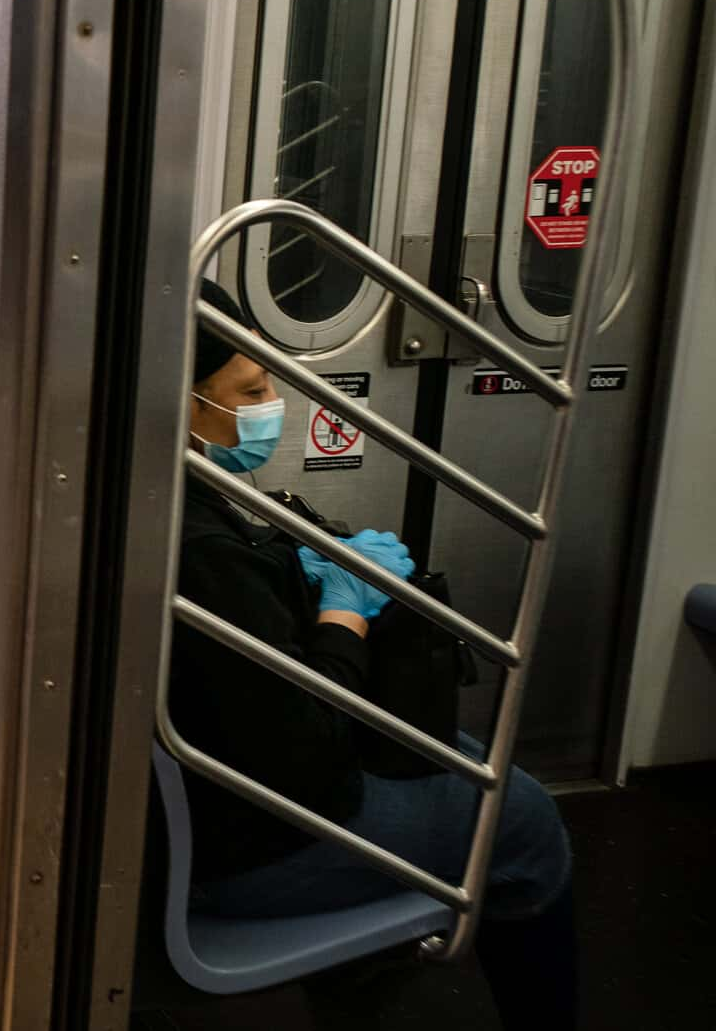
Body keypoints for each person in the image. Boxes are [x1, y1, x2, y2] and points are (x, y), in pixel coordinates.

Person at [173, 279, 577, 1030]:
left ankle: (362, 971)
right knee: (523, 818)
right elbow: (307, 759)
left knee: (456, 755)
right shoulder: (201, 552)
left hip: (221, 805)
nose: (270, 404)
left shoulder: (166, 495)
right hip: (247, 847)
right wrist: (342, 611)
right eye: (250, 387)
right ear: (183, 403)